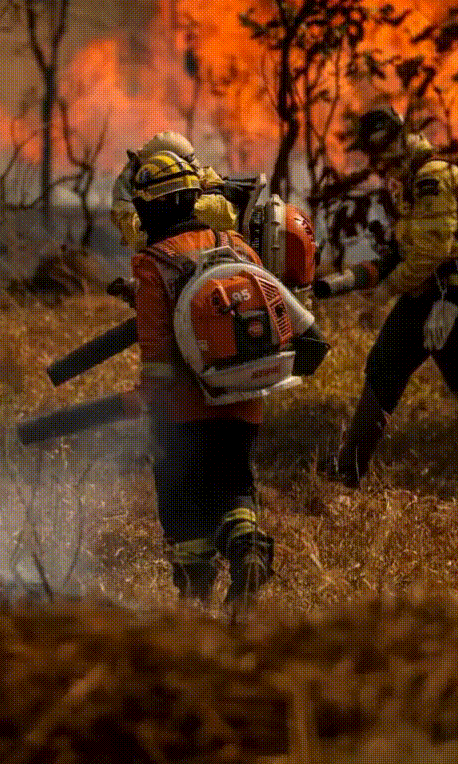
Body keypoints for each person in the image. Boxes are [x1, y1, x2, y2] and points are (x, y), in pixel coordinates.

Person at [322, 106, 458, 492]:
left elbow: (432, 250)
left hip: (457, 293)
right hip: (424, 292)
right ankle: (348, 471)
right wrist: (356, 278)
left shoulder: (432, 177)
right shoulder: (410, 179)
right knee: (383, 367)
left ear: (391, 143)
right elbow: (406, 248)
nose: (374, 163)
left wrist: (388, 288)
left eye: (375, 153)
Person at [127, 149, 276, 616]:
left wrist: (146, 401)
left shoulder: (153, 263)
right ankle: (248, 549)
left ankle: (194, 594)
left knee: (182, 496)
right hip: (245, 397)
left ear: (151, 207)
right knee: (235, 484)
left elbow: (156, 351)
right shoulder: (237, 245)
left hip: (184, 409)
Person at [110, 131, 236, 251]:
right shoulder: (203, 191)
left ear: (175, 164)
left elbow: (141, 236)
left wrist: (122, 194)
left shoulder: (191, 205)